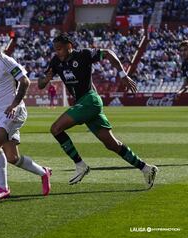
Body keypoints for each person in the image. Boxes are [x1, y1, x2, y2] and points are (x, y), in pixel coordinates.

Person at [38, 33, 158, 189]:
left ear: (69, 46)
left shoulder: (84, 55)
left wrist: (123, 75)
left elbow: (108, 53)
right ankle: (146, 168)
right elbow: (41, 84)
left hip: (90, 100)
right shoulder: (56, 62)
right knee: (112, 144)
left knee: (56, 128)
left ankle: (80, 165)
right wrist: (45, 80)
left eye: (60, 49)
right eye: (55, 49)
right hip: (84, 104)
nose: (57, 52)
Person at [0, 31, 52, 201]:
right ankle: (43, 172)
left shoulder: (7, 62)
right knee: (13, 158)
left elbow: (25, 81)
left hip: (13, 111)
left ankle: (3, 188)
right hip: (1, 113)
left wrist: (14, 104)